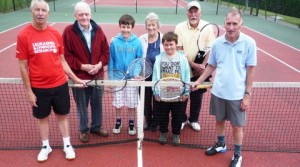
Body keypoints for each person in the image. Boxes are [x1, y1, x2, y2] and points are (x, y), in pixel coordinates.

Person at [16, 0, 86, 162]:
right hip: (39, 88)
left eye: (43, 10)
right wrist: (29, 92)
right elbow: (22, 67)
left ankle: (67, 145)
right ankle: (45, 146)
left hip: (60, 84)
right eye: (37, 10)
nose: (40, 13)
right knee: (43, 118)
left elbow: (62, 61)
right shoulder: (23, 35)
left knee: (62, 115)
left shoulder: (55, 34)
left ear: (48, 14)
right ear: (31, 11)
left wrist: (76, 79)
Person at [192, 7, 257, 167]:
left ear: (241, 24)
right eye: (228, 23)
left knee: (237, 127)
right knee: (219, 120)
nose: (231, 27)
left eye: (235, 23)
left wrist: (247, 94)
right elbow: (211, 65)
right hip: (219, 92)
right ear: (224, 24)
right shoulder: (217, 43)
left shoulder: (249, 43)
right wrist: (199, 81)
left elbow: (251, 69)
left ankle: (237, 154)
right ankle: (221, 144)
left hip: (237, 95)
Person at [63, 1, 110, 143]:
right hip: (79, 78)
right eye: (81, 14)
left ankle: (96, 126)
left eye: (86, 14)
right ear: (75, 15)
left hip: (98, 75)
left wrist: (100, 64)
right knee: (82, 106)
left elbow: (105, 52)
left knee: (97, 103)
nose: (84, 17)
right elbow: (66, 56)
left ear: (91, 14)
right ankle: (83, 129)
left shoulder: (98, 30)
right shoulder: (68, 31)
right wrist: (83, 67)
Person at [175, 0, 216, 131]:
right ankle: (182, 119)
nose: (193, 14)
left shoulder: (208, 28)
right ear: (187, 13)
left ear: (200, 13)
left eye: (195, 11)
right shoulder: (179, 27)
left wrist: (203, 67)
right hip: (184, 70)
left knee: (197, 98)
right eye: (190, 11)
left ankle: (194, 119)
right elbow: (179, 50)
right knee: (182, 97)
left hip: (201, 72)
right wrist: (193, 65)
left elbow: (210, 49)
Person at [152, 31, 190, 145]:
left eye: (171, 44)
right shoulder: (158, 58)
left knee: (177, 116)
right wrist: (156, 92)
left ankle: (176, 134)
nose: (169, 47)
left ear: (175, 44)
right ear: (163, 45)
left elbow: (187, 76)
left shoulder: (182, 58)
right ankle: (163, 133)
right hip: (163, 94)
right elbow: (155, 76)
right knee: (163, 116)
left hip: (179, 95)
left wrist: (186, 92)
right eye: (166, 44)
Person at [108, 14, 143, 135]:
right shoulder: (114, 42)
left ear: (132, 27)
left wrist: (136, 73)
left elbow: (139, 61)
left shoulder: (137, 42)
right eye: (123, 26)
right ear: (119, 26)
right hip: (117, 78)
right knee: (118, 104)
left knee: (131, 103)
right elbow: (111, 60)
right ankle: (118, 122)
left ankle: (131, 123)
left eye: (128, 27)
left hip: (132, 79)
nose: (125, 30)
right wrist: (111, 78)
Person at [139, 12, 164, 132]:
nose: (151, 27)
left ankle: (156, 122)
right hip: (145, 75)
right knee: (145, 100)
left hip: (159, 76)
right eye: (149, 25)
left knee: (158, 99)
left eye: (153, 25)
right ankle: (148, 120)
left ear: (158, 25)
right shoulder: (141, 39)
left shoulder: (164, 38)